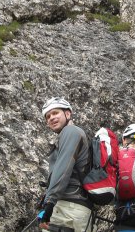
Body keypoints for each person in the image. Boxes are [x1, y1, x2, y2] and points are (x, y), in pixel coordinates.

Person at [37, 97, 93, 232]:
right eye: (48, 116)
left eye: (55, 113)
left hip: (67, 209)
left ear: (68, 114)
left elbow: (63, 169)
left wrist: (49, 203)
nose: (51, 118)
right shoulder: (74, 134)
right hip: (76, 207)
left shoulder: (71, 132)